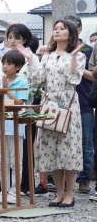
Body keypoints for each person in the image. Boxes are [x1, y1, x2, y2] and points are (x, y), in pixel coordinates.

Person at [17, 19, 85, 207]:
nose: (57, 31)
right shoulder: (47, 55)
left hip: (68, 105)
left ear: (70, 34)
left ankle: (70, 194)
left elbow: (74, 80)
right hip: (49, 105)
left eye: (62, 29)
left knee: (68, 149)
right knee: (51, 149)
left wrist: (73, 57)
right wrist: (30, 58)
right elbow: (37, 80)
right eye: (55, 28)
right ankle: (59, 194)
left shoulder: (78, 56)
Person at [0, 50, 29, 204]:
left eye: (9, 64)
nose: (4, 67)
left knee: (16, 161)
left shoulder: (22, 82)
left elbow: (20, 104)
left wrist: (5, 90)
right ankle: (4, 190)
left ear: (18, 66)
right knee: (3, 161)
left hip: (15, 126)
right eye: (3, 63)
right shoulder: (0, 81)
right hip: (0, 125)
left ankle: (15, 191)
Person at [62, 15, 94, 194]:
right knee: (61, 141)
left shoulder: (89, 49)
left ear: (79, 29)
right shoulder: (59, 50)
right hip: (63, 104)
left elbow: (93, 76)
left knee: (86, 145)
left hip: (84, 101)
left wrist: (79, 67)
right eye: (64, 28)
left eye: (71, 28)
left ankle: (84, 179)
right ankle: (60, 180)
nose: (68, 32)